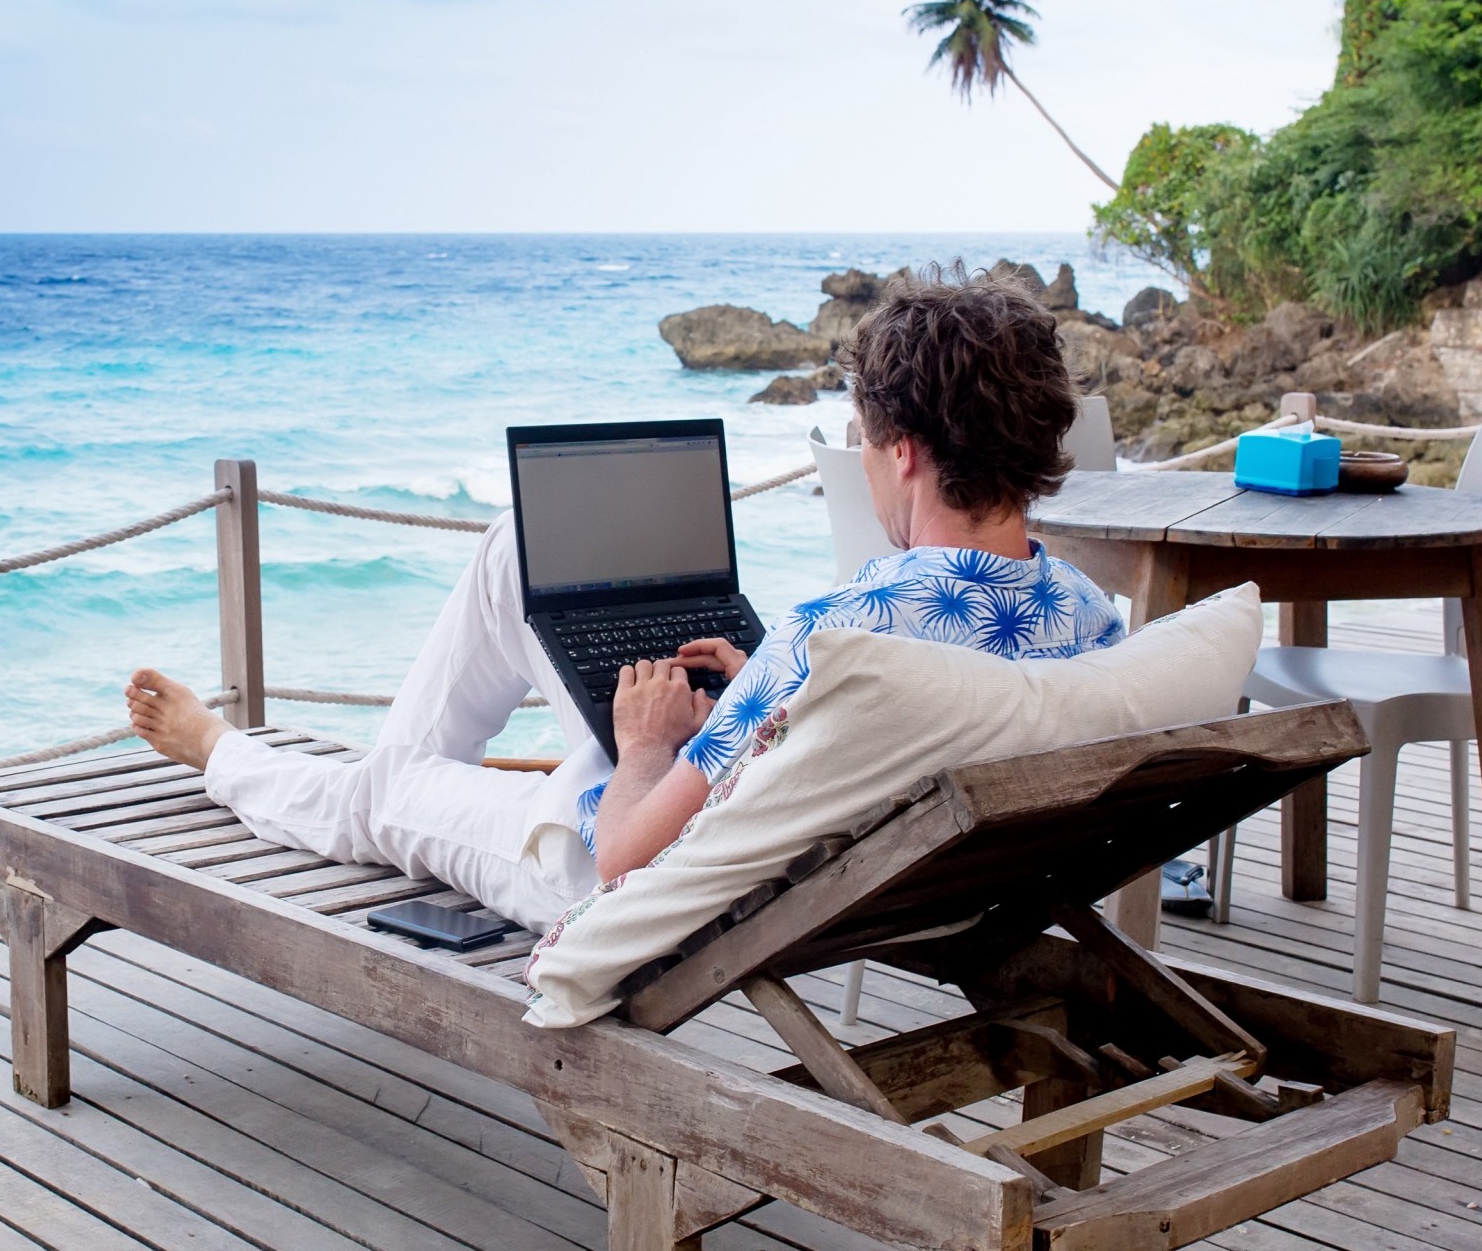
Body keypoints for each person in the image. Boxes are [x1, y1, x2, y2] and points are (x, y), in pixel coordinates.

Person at [125, 267, 1125, 932]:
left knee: (382, 790)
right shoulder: (1086, 617)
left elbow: (621, 857)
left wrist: (648, 743)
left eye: (863, 441)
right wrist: (757, 696)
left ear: (901, 451)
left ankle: (226, 753)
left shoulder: (844, 630)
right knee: (521, 550)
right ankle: (402, 763)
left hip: (656, 878)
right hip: (857, 857)